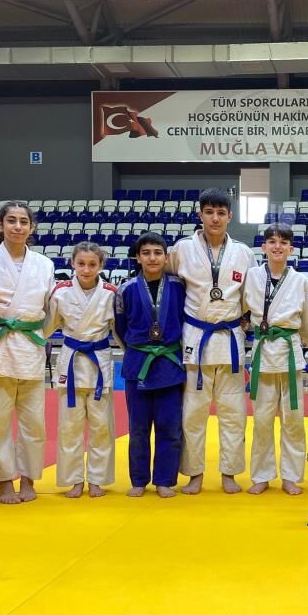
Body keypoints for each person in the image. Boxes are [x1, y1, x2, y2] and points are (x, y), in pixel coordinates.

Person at [168, 188, 255, 495]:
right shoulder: (182, 249)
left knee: (234, 414)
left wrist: (244, 321)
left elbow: (251, 295)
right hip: (196, 340)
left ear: (230, 216)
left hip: (230, 341)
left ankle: (229, 473)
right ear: (200, 215)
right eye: (209, 212)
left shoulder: (244, 253)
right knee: (193, 414)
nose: (215, 218)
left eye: (220, 213)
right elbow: (168, 286)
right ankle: (195, 474)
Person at [0, 200, 55, 505]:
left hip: (31, 345)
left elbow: (51, 309)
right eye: (11, 220)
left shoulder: (44, 264)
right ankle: (4, 481)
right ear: (0, 224)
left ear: (32, 227)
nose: (17, 226)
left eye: (23, 221)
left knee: (34, 421)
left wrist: (40, 336)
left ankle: (28, 478)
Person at [115, 233, 187, 497]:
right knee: (138, 428)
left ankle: (164, 480)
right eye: (146, 253)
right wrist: (137, 349)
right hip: (138, 363)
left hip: (169, 364)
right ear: (138, 257)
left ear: (166, 257)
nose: (152, 258)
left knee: (170, 426)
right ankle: (138, 480)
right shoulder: (126, 289)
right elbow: (119, 327)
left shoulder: (179, 286)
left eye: (158, 253)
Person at [45, 242, 118, 498]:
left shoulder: (111, 293)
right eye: (81, 264)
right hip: (71, 362)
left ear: (101, 266)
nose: (86, 270)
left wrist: (131, 353)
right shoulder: (61, 292)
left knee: (102, 427)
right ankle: (74, 479)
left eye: (92, 264)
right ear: (72, 264)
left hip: (99, 362)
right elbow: (47, 327)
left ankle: (97, 479)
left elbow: (119, 331)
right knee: (69, 428)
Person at [243, 223, 308, 495]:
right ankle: (262, 475)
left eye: (283, 242)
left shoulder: (300, 280)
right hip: (262, 350)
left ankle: (291, 476)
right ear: (263, 247)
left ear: (291, 249)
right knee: (261, 420)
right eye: (272, 241)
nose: (277, 246)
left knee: (293, 419)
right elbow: (242, 310)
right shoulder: (251, 276)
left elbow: (306, 318)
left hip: (289, 350)